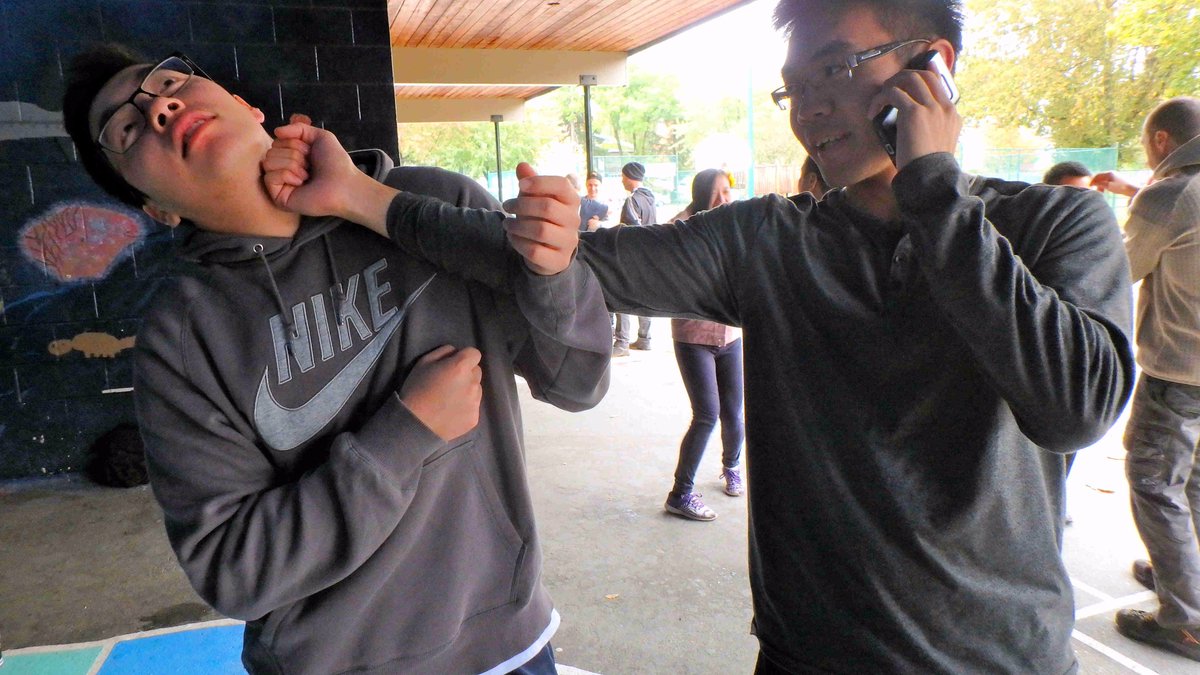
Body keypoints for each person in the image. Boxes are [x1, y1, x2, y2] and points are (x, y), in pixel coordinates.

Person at [385, 0, 1136, 671]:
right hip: (805, 656)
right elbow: (557, 255)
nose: (809, 107)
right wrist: (368, 200)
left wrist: (934, 191)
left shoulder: (1056, 224)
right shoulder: (769, 241)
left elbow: (1075, 409)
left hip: (1003, 658)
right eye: (793, 88)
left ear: (933, 65)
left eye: (835, 67)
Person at [62, 44, 611, 675]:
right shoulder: (182, 335)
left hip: (506, 640)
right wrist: (407, 433)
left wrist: (555, 274)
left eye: (168, 82)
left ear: (245, 105)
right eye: (127, 130)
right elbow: (234, 570)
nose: (160, 108)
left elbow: (579, 383)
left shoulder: (430, 205)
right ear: (156, 208)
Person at [1107, 97, 1200, 663]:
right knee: (1192, 484)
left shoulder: (1171, 195)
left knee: (1156, 484)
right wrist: (1134, 193)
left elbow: (1119, 269)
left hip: (1179, 374)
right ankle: (1184, 576)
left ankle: (1186, 621)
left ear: (1162, 141)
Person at [663, 169, 745, 522]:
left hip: (730, 335)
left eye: (728, 191)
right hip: (693, 337)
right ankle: (680, 494)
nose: (724, 199)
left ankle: (732, 467)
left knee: (734, 412)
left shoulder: (734, 224)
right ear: (701, 194)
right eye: (717, 192)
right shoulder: (681, 228)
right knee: (707, 414)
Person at [612, 161, 656, 356]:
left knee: (620, 294)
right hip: (648, 256)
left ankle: (621, 342)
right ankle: (645, 339)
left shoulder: (632, 200)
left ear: (630, 176)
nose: (622, 180)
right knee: (644, 296)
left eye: (623, 176)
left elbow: (629, 231)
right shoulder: (650, 198)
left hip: (632, 256)